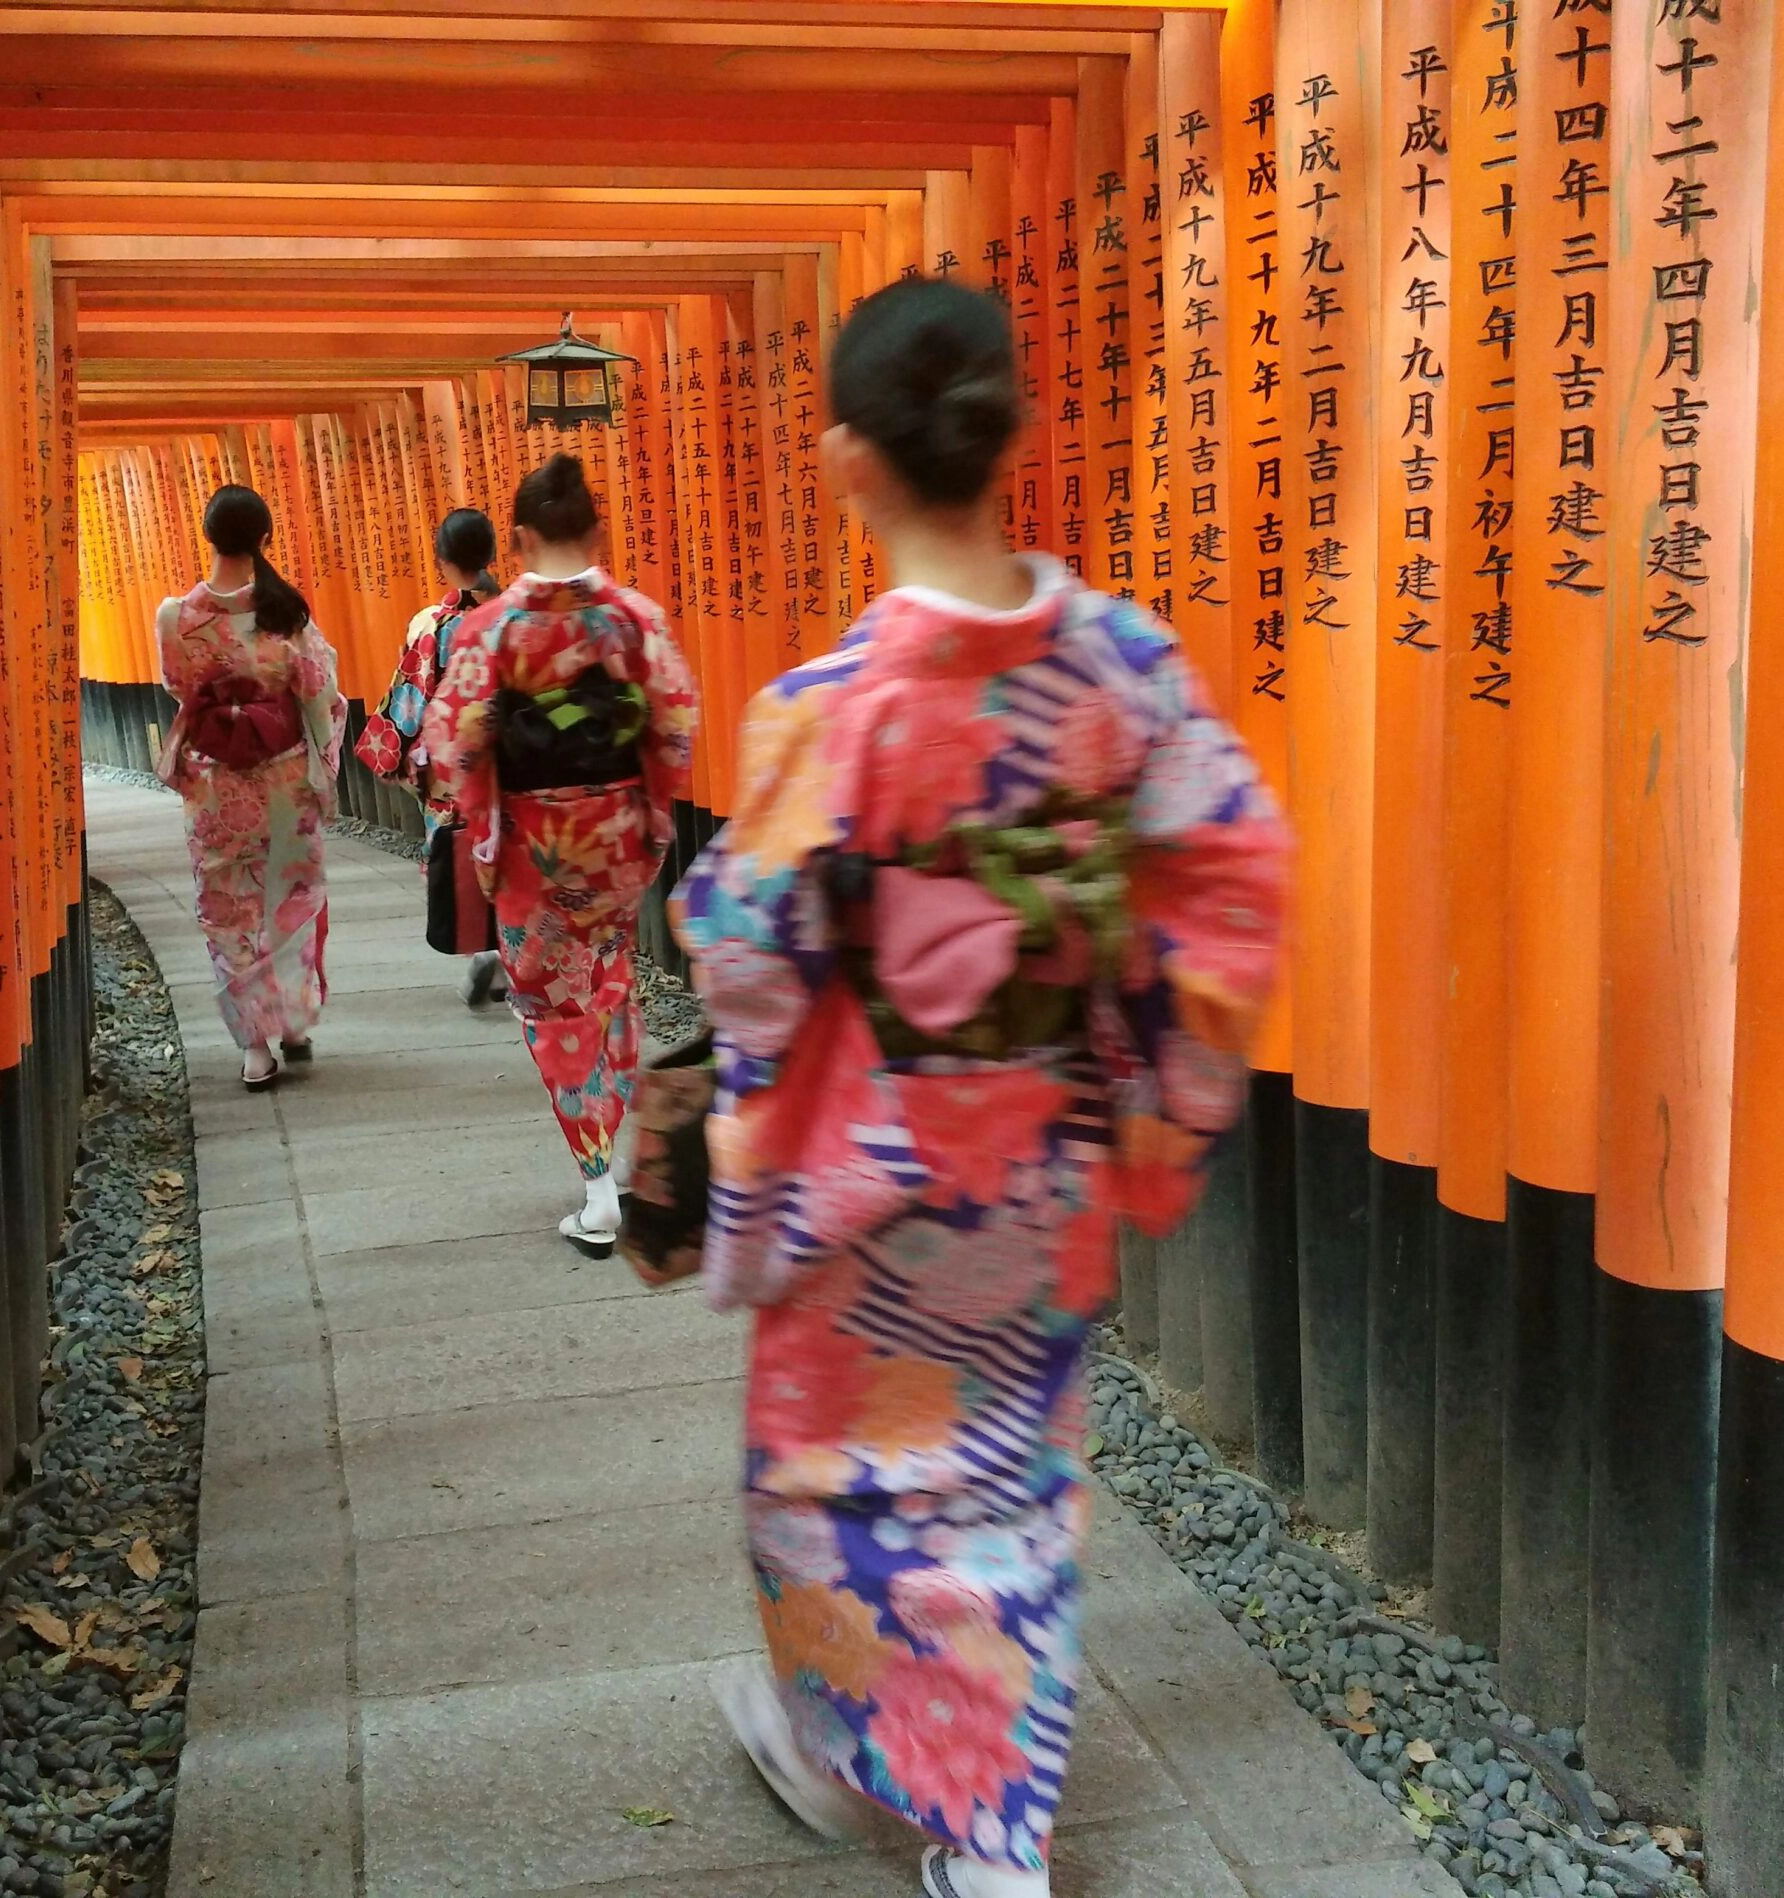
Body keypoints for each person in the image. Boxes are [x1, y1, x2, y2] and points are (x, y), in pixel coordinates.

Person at [672, 278, 1288, 1898]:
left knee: (828, 1478)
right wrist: (1154, 1096)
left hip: (867, 1176)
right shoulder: (1124, 661)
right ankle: (978, 1813)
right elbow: (1234, 870)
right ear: (1008, 434)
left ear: (843, 463)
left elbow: (745, 944)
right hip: (1044, 1156)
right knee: (1011, 1468)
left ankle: (887, 1770)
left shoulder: (830, 712)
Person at [428, 455, 699, 1255]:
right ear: (597, 530)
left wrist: (484, 830)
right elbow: (675, 727)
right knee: (609, 981)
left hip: (529, 845)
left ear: (516, 539)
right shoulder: (634, 619)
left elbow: (457, 746)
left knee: (552, 1007)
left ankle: (596, 1181)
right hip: (614, 836)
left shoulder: (490, 631)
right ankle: (613, 1159)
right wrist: (648, 812)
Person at [156, 483, 345, 1090]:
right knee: (287, 904)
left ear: (207, 537)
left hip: (215, 786)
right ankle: (291, 1023)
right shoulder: (285, 613)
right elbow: (319, 694)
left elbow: (177, 687)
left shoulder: (176, 618)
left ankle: (255, 1047)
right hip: (284, 778)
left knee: (226, 911)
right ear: (266, 539)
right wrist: (325, 769)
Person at [356, 506, 508, 1007]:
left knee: (458, 848)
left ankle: (475, 948)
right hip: (508, 754)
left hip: (448, 766)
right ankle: (512, 946)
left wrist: (394, 752)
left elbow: (412, 698)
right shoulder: (515, 616)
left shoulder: (431, 624)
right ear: (491, 553)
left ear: (441, 559)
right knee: (511, 848)